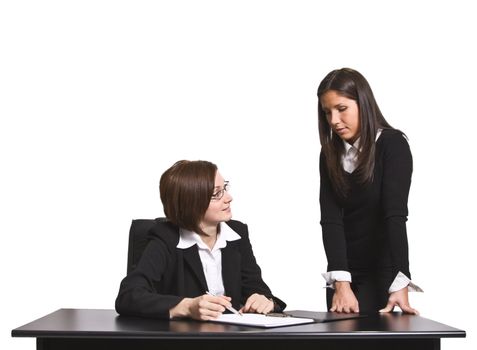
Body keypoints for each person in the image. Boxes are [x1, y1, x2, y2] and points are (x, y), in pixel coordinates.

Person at [115, 160, 285, 320]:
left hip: (231, 338)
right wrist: (187, 307)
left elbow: (257, 289)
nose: (229, 197)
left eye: (224, 188)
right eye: (217, 193)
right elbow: (128, 296)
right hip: (184, 340)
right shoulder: (166, 238)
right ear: (192, 203)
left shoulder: (236, 234)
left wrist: (265, 301)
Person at [317, 68, 422, 315]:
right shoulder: (329, 154)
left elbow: (395, 215)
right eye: (327, 112)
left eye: (341, 109)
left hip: (383, 276)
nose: (333, 120)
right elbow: (331, 220)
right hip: (343, 276)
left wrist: (401, 279)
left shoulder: (392, 145)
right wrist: (342, 283)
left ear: (363, 103)